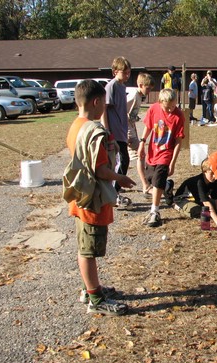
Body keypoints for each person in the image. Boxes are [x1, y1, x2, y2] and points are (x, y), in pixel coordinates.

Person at [63, 79, 136, 316]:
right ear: (96, 102)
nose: (105, 106)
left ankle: (90, 288)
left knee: (86, 247)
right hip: (91, 201)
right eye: (104, 102)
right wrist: (120, 178)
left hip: (80, 197)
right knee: (88, 251)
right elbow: (99, 169)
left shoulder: (76, 126)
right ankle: (94, 299)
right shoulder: (93, 131)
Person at [138, 88, 185, 227]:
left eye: (173, 106)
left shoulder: (178, 116)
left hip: (166, 154)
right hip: (153, 151)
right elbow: (147, 127)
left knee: (158, 180)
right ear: (160, 102)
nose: (170, 110)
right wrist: (142, 143)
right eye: (167, 107)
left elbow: (178, 141)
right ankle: (167, 186)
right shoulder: (153, 109)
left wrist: (173, 162)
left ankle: (155, 212)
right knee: (151, 180)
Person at [101, 56, 132, 209]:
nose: (127, 75)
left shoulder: (122, 87)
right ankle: (112, 194)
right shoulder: (111, 86)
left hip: (121, 132)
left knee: (121, 162)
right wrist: (107, 131)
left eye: (129, 72)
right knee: (122, 161)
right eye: (124, 72)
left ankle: (113, 193)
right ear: (115, 72)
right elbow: (104, 110)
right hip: (113, 133)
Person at [165, 155, 217, 228]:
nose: (214, 176)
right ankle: (176, 206)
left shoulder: (215, 180)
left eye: (215, 173)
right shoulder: (200, 182)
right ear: (204, 172)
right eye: (212, 174)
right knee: (199, 211)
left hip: (198, 199)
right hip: (184, 199)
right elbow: (206, 203)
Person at [127, 72, 155, 199]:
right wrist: (126, 134)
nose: (149, 91)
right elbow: (122, 112)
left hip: (132, 129)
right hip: (127, 131)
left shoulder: (139, 96)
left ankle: (115, 183)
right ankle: (145, 185)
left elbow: (131, 115)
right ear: (140, 85)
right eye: (148, 88)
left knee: (124, 158)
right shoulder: (133, 96)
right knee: (140, 155)